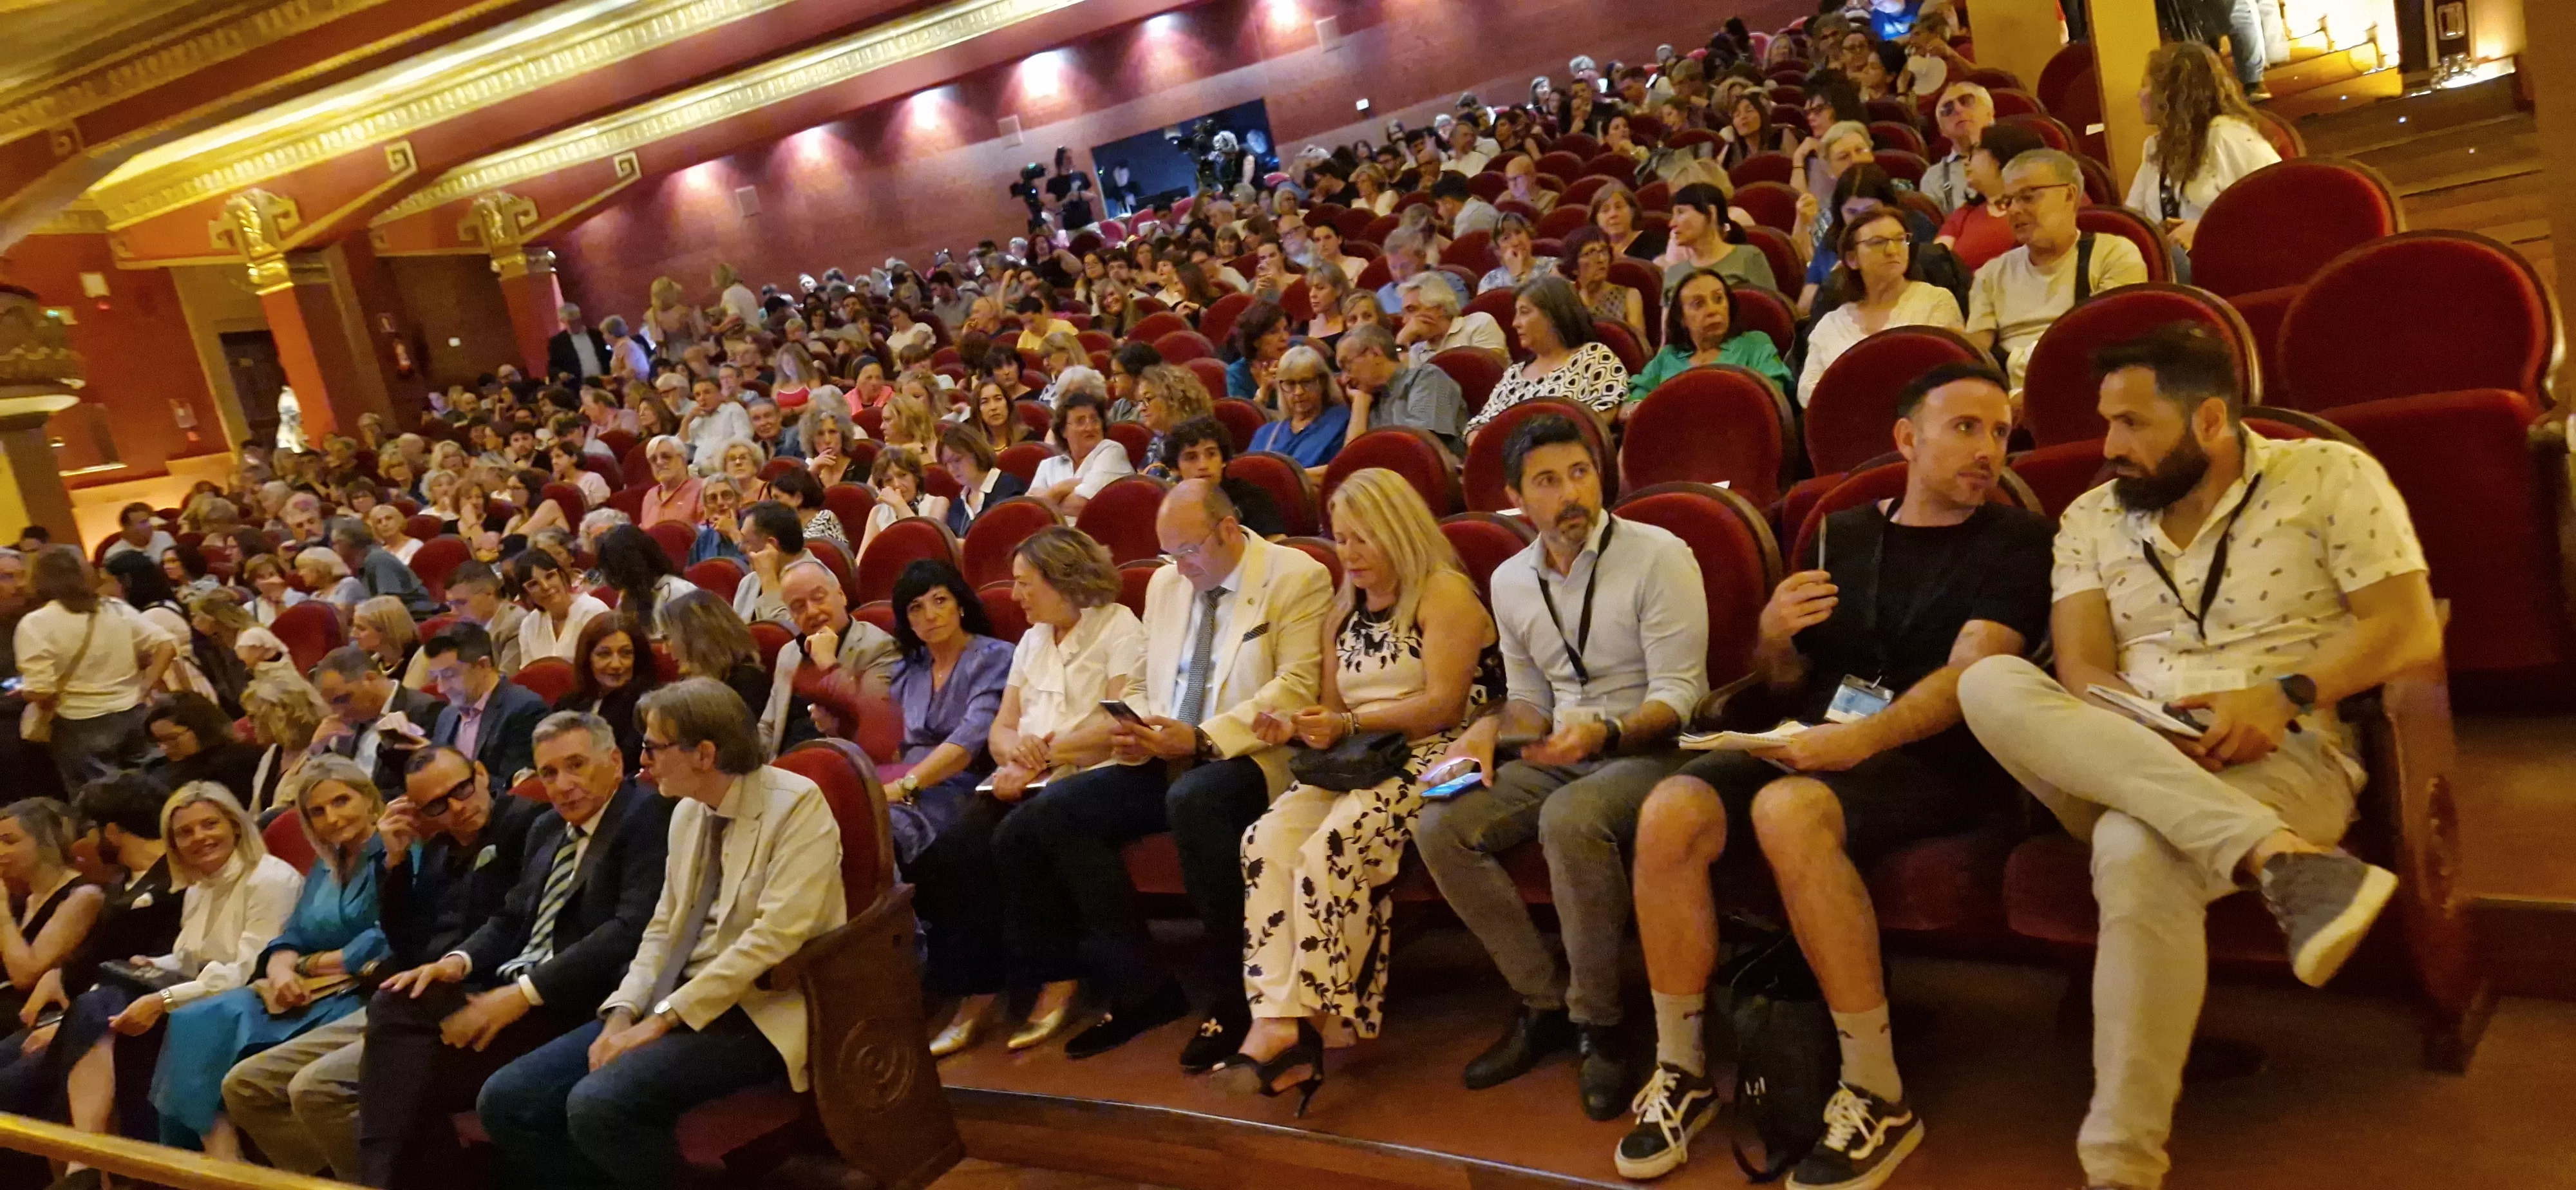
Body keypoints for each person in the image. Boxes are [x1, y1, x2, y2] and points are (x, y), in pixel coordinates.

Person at [1956, 323, 2435, 1190]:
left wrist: (2284, 695)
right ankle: (2278, 860)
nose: (2110, 447)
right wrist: (2144, 732)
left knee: (2136, 849)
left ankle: (2120, 1168)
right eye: (2108, 423)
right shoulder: (2090, 518)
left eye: (2135, 424)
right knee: (1987, 681)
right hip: (2120, 745)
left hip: (2288, 751)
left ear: (2210, 419)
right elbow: (2084, 670)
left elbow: (2409, 627)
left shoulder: (2327, 476)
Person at [1614, 361, 2052, 1183]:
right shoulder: (1837, 533)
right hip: (1812, 741)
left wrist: (1858, 742)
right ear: (1905, 439)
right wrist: (1774, 637)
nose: (1988, 449)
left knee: (1788, 810)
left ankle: (1877, 1092)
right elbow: (1781, 682)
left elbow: (1970, 677)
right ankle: (1682, 1067)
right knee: (1670, 805)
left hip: (1933, 760)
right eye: (1964, 428)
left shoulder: (2019, 540)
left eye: (1999, 432)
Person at [1414, 413, 1708, 1121]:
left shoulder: (1659, 554)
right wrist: (1485, 733)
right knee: (1438, 822)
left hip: (1651, 748)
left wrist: (1604, 732)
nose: (1571, 492)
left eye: (1580, 473)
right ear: (1517, 496)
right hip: (1560, 749)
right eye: (1548, 481)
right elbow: (1528, 702)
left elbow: (1682, 695)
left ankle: (1598, 1024)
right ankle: (1541, 1002)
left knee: (1570, 818)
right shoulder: (1511, 580)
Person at [991, 480, 1332, 1067]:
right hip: (1169, 746)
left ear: (1228, 530)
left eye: (1188, 550)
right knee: (1055, 811)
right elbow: (1150, 676)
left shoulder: (1296, 576)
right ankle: (1143, 986)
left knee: (1195, 801)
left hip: (1252, 753)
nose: (1178, 565)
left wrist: (1202, 737)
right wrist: (1139, 726)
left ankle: (1236, 997)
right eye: (1169, 553)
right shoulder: (1167, 584)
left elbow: (1295, 686)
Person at [477, 678, 846, 1190]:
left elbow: (772, 940)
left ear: (705, 753)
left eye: (653, 746)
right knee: (507, 1100)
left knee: (598, 1104)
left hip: (755, 1007)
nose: (642, 759)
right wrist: (621, 1014)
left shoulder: (797, 805)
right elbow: (663, 928)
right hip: (669, 998)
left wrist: (658, 1022)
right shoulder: (688, 809)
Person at [1219, 470, 1496, 1111]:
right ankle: (1275, 1018)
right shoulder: (1344, 607)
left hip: (1445, 754)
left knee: (1332, 848)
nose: (1351, 554)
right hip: (1358, 759)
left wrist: (1346, 723)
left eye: (1363, 538)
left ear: (1398, 530)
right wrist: (1297, 726)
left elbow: (1441, 705)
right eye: (1341, 540)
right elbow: (1331, 716)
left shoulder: (1444, 592)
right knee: (1265, 840)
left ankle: (1310, 1025)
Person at [354, 714, 672, 1190]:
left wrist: (523, 993)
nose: (563, 785)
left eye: (576, 766)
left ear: (613, 761)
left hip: (581, 999)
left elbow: (627, 930)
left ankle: (378, 1182)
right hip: (516, 986)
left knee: (407, 1081)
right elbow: (509, 919)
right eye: (548, 773)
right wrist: (452, 963)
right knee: (399, 1006)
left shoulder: (646, 815)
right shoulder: (548, 827)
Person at [927, 527, 1145, 1057]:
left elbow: (1123, 719)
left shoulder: (1118, 626)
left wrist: (1044, 755)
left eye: (1026, 584)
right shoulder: (1030, 640)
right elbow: (1002, 727)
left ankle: (1058, 979)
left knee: (1019, 838)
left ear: (1063, 580)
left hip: (1094, 773)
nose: (1015, 595)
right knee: (953, 850)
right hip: (1032, 773)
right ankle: (979, 992)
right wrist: (1013, 756)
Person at [37, 784, 296, 1171]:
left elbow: (245, 968)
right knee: (106, 1006)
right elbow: (192, 955)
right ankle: (108, 1162)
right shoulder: (197, 887)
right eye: (185, 832)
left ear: (236, 825)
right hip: (210, 994)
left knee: (139, 1019)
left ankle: (109, 1162)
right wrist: (156, 963)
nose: (199, 838)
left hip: (253, 999)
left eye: (210, 825)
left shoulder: (269, 879)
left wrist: (164, 999)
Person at [151, 757, 385, 1158]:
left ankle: (226, 1164)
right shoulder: (328, 865)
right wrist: (280, 968)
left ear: (368, 798)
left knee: (197, 1017)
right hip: (308, 988)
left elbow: (384, 938)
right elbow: (292, 933)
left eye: (342, 801)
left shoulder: (394, 852)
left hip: (358, 989)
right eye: (318, 812)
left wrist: (308, 965)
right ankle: (217, 1160)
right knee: (191, 1024)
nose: (332, 818)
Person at [1965, 149, 2150, 388]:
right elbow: (1978, 352)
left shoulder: (2114, 254)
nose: (2014, 210)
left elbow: (2108, 344)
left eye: (2028, 197)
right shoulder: (1991, 273)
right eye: (2007, 201)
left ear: (2069, 195)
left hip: (2087, 387)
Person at [880, 559, 1016, 865]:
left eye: (940, 601)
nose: (931, 615)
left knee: (885, 831)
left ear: (960, 605)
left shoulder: (993, 658)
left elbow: (969, 741)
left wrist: (905, 785)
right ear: (908, 622)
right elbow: (888, 742)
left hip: (961, 785)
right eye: (916, 608)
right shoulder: (906, 670)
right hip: (904, 784)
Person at [17, 546, 177, 789]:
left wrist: (25, 692)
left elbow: (42, 691)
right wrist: (147, 683)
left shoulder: (36, 624)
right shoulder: (115, 609)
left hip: (79, 722)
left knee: (100, 801)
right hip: (134, 711)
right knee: (155, 788)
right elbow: (166, 645)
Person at [1800, 211, 1968, 406]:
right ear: (1852, 259)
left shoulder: (1936, 302)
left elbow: (1949, 375)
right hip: (1849, 427)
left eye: (1899, 240)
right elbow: (1808, 393)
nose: (1892, 250)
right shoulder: (1831, 325)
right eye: (1878, 242)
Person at [2128, 41, 2280, 252]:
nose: (2139, 94)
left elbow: (2280, 209)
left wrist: (2205, 232)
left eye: (2145, 84)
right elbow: (2134, 221)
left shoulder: (2227, 135)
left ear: (2170, 94)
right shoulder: (2154, 147)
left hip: (2229, 262)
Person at [1464, 276, 1631, 440]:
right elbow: (1477, 426)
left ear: (1554, 315)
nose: (1515, 323)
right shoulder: (1514, 374)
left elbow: (1606, 411)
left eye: (1524, 312)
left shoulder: (1593, 357)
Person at [762, 561, 902, 751]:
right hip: (783, 769)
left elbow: (876, 726)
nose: (812, 611)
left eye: (819, 598)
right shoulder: (789, 653)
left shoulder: (879, 647)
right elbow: (768, 728)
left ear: (842, 595)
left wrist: (827, 663)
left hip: (842, 765)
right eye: (798, 607)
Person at [0, 797, 104, 1033]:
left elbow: (26, 975)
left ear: (45, 843)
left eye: (9, 841)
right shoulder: (22, 898)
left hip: (33, 1020)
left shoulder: (83, 895)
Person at [1626, 267, 1795, 406]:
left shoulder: (1755, 345)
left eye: (1719, 299)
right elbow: (1635, 398)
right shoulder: (1668, 356)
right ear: (1681, 318)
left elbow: (1774, 396)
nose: (1713, 310)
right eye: (1698, 304)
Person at [424, 622, 551, 788]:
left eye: (450, 675)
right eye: (436, 677)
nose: (441, 688)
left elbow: (516, 788)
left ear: (483, 665)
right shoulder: (447, 715)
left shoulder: (525, 709)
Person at [308, 645, 444, 798]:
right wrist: (317, 749)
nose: (338, 712)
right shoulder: (349, 722)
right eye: (331, 704)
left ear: (370, 679)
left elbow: (421, 785)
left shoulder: (425, 711)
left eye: (342, 699)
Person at [1336, 322, 1467, 456]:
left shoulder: (1426, 378)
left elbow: (1417, 447)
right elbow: (1351, 458)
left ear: (1374, 353)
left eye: (1347, 366)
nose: (1344, 379)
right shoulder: (1369, 401)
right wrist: (1360, 404)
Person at [1935, 121, 2043, 274]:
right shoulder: (1964, 214)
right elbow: (1935, 267)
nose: (1966, 161)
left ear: (2002, 154)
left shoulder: (2047, 203)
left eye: (1975, 151)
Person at [1160, 417, 1286, 539]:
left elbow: (1279, 548)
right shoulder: (1172, 507)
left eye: (1212, 454)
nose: (1203, 465)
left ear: (1223, 460)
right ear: (1176, 468)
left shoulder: (1252, 498)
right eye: (1191, 457)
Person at [561, 616, 658, 775]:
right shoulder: (570, 703)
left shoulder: (649, 705)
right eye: (604, 655)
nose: (616, 665)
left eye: (626, 654)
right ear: (587, 658)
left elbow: (625, 761)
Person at [1245, 345, 1352, 476]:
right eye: (1290, 384)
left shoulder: (1341, 421)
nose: (1298, 392)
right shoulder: (1266, 433)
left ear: (1323, 382)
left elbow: (1343, 469)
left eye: (1306, 382)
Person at [1030, 388, 1134, 516]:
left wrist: (1047, 498)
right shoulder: (1047, 466)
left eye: (1095, 420)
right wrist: (1060, 489)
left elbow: (1085, 506)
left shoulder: (1112, 451)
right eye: (1080, 421)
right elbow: (1031, 512)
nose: (1090, 427)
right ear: (1063, 431)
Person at [1656, 183, 1777, 293]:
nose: (1672, 223)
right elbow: (1669, 318)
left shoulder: (1749, 257)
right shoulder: (1674, 273)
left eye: (1681, 212)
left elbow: (1769, 312)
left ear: (1711, 213)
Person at [148, 692, 265, 805]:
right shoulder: (167, 769)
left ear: (201, 728)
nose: (164, 747)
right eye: (159, 741)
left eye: (172, 738)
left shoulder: (236, 761)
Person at [242, 674, 330, 820]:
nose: (249, 725)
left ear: (279, 714)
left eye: (253, 717)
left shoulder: (322, 753)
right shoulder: (272, 754)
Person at [510, 550, 613, 665]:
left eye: (550, 576)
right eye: (534, 584)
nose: (546, 586)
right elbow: (530, 675)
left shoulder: (593, 611)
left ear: (562, 576)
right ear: (525, 594)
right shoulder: (528, 625)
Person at [1560, 226, 1650, 346]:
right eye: (1590, 253)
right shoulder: (1565, 299)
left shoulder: (1630, 296)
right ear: (1574, 266)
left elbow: (1640, 348)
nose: (1602, 259)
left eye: (1604, 251)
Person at [1393, 271, 1508, 364]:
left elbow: (1491, 371)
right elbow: (1404, 388)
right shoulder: (1415, 352)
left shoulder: (1479, 324)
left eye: (1411, 310)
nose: (1405, 321)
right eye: (1403, 314)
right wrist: (1401, 344)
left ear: (1439, 308)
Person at [330, 522, 438, 620]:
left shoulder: (378, 559)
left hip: (416, 618)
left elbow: (388, 604)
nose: (333, 548)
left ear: (349, 542)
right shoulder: (361, 563)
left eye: (336, 543)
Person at [1919, 80, 1993, 214]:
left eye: (1966, 101)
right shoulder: (1934, 177)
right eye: (1947, 109)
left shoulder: (2018, 155)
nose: (1958, 110)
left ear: (1990, 113)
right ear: (1942, 131)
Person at [440, 562, 527, 677]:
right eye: (450, 604)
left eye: (461, 603)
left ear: (489, 593)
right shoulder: (463, 629)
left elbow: (506, 680)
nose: (454, 611)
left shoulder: (515, 624)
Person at [1225, 301, 1294, 403]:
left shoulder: (1297, 364)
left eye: (1286, 329)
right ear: (1255, 341)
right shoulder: (1237, 374)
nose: (1284, 337)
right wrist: (1263, 392)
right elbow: (1245, 417)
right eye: (1273, 332)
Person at [770, 468, 847, 554]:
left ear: (798, 498)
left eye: (777, 498)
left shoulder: (825, 519)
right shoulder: (789, 526)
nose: (772, 504)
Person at [1479, 214, 1558, 295]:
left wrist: (1519, 276)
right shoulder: (1489, 282)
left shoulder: (1552, 267)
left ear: (1529, 235)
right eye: (1506, 238)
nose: (1516, 242)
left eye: (1518, 232)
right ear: (1498, 250)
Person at [349, 596, 419, 686]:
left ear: (388, 631)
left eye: (361, 629)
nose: (353, 635)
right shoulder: (371, 661)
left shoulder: (418, 660)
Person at [638, 436, 703, 528]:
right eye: (653, 459)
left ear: (683, 459)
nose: (659, 462)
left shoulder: (702, 489)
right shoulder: (650, 496)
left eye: (666, 457)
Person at [1591, 182, 1667, 261]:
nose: (1613, 215)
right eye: (1605, 210)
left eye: (1619, 207)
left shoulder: (1656, 244)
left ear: (1633, 211)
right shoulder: (1590, 251)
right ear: (1596, 219)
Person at [101, 505, 176, 563]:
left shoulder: (165, 537)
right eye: (143, 523)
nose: (149, 525)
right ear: (128, 528)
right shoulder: (115, 555)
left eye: (148, 521)